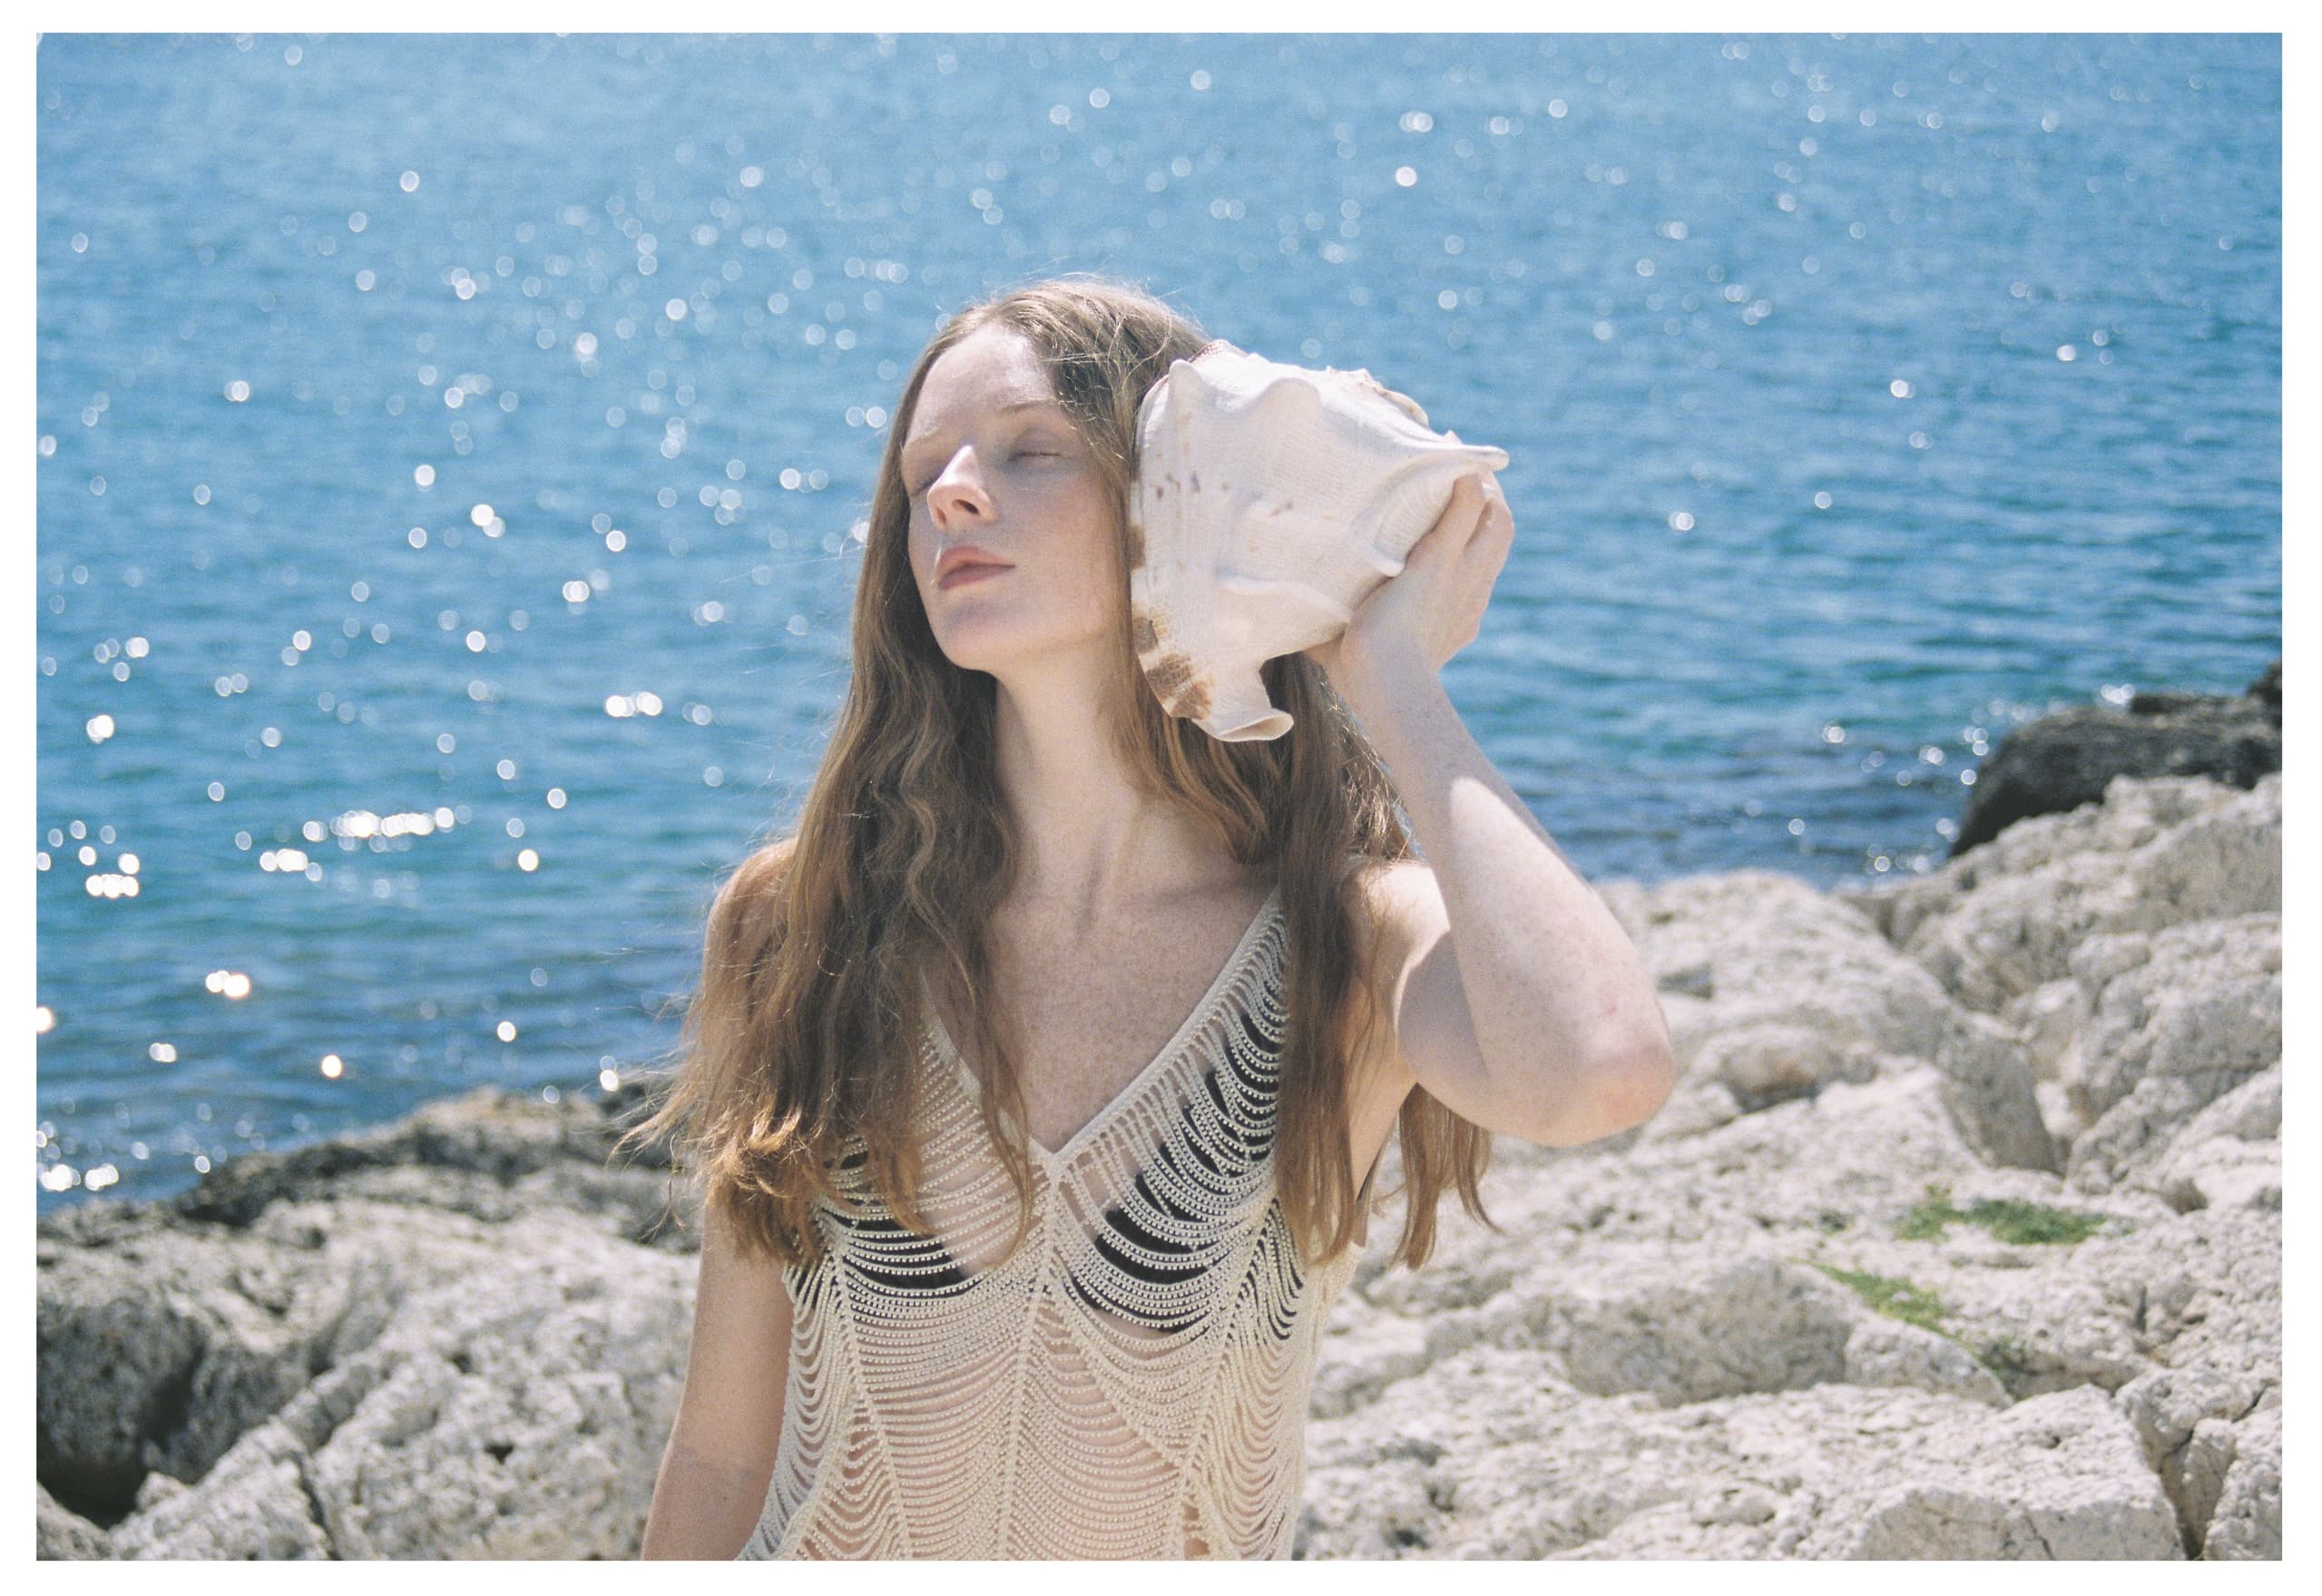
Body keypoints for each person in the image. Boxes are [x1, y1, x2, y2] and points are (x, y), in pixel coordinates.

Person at [622, 273, 1677, 1559]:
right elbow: (725, 1448)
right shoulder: (808, 920)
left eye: (1032, 452)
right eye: (924, 474)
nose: (953, 494)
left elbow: (1601, 1067)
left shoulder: (1347, 940)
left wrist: (1385, 670)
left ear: (1183, 496)